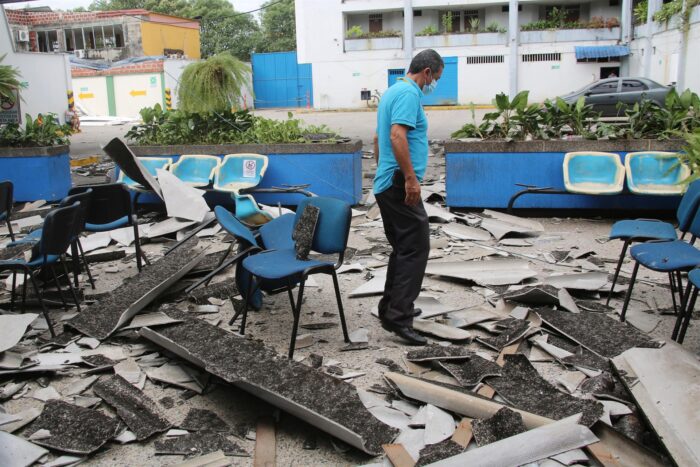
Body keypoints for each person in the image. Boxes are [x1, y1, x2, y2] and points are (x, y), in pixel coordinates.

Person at [372, 49, 444, 345]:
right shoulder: (409, 93)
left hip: (389, 180)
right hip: (399, 182)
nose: (433, 84)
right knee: (416, 248)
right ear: (426, 72)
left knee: (404, 248)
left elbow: (378, 139)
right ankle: (399, 318)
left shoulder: (393, 91)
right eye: (435, 78)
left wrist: (384, 172)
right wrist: (409, 179)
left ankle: (391, 310)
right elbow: (396, 136)